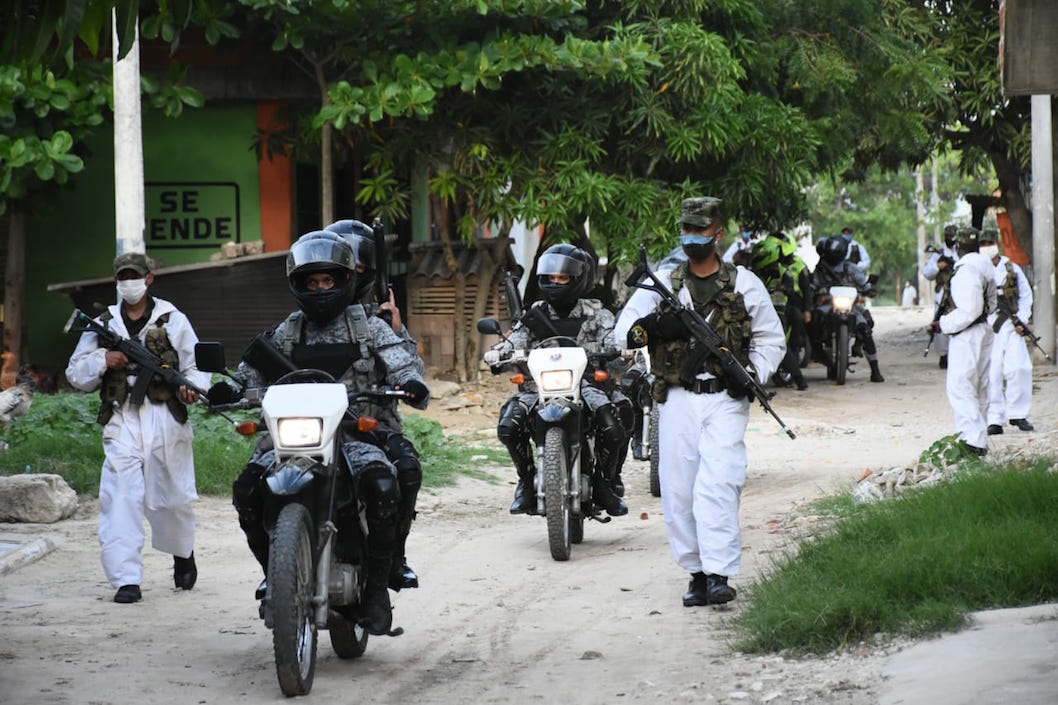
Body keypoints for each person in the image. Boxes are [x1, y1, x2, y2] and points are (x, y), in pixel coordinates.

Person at [208, 230, 430, 635]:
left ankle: (378, 588)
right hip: (291, 437)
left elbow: (402, 363)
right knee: (246, 490)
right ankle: (272, 571)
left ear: (346, 280)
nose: (321, 289)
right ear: (298, 285)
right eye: (313, 282)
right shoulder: (287, 332)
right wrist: (229, 388)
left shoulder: (371, 328)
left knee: (383, 484)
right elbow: (248, 375)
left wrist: (410, 382)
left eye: (329, 281)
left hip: (357, 435)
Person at [613, 197, 785, 607]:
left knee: (721, 482)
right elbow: (623, 336)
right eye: (686, 230)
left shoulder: (744, 283)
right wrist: (653, 327)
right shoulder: (664, 283)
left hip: (725, 398)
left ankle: (719, 573)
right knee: (680, 490)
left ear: (718, 234)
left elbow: (771, 339)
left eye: (700, 230)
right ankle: (695, 573)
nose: (692, 237)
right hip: (675, 400)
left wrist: (753, 376)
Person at [66, 252, 210, 604]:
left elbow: (194, 365)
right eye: (123, 276)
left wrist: (191, 388)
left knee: (173, 496)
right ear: (117, 281)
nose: (129, 282)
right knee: (120, 497)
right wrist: (104, 358)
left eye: (135, 275)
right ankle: (126, 578)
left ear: (149, 278)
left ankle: (182, 552)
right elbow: (75, 373)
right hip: (123, 419)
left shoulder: (172, 319)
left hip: (165, 417)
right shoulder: (104, 323)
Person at [489, 243, 629, 518]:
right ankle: (527, 482)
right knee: (509, 424)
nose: (555, 284)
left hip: (586, 385)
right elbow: (514, 342)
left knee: (611, 423)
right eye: (550, 278)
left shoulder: (597, 313)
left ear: (577, 279)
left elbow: (614, 344)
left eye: (562, 278)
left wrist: (621, 350)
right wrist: (497, 353)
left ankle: (603, 482)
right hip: (537, 387)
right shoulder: (534, 314)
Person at [324, 219, 423, 590]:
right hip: (309, 430)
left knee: (407, 470)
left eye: (357, 268)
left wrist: (397, 330)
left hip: (372, 426)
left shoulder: (378, 322)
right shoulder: (298, 323)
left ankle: (393, 558)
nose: (347, 275)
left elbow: (413, 372)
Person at [933, 226, 996, 456]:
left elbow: (970, 310)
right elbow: (991, 303)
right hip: (983, 330)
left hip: (967, 333)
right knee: (979, 386)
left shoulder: (966, 269)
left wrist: (944, 324)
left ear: (958, 246)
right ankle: (976, 438)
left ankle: (973, 440)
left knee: (961, 386)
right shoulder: (985, 265)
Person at [980, 229, 1035, 435]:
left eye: (989, 242)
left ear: (997, 243)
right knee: (992, 373)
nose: (987, 246)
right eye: (983, 243)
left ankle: (1018, 414)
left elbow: (1026, 296)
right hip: (989, 328)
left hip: (1012, 327)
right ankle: (994, 418)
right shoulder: (977, 267)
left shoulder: (1011, 267)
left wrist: (1022, 319)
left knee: (1019, 368)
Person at [809, 236, 885, 382]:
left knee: (866, 327)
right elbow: (813, 285)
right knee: (814, 322)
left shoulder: (850, 268)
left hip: (851, 306)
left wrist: (869, 290)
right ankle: (818, 351)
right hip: (828, 306)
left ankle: (875, 369)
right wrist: (814, 291)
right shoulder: (820, 269)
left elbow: (864, 284)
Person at [748, 233, 807, 390]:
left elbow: (793, 292)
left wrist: (784, 289)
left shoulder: (783, 272)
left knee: (778, 343)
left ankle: (799, 379)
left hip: (778, 313)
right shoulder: (752, 274)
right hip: (754, 312)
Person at [923, 225, 960, 369]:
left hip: (957, 292)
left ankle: (956, 354)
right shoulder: (938, 254)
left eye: (952, 236)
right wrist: (939, 266)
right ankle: (944, 355)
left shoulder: (960, 252)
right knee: (941, 321)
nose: (950, 239)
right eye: (948, 236)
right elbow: (927, 273)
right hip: (943, 293)